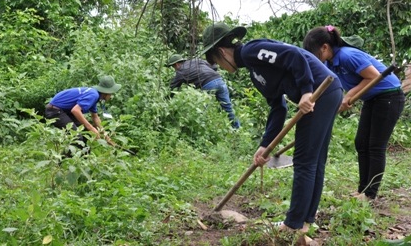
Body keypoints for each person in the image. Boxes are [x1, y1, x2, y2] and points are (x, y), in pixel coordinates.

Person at [201, 22, 343, 233]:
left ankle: (293, 225)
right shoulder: (255, 72)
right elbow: (278, 107)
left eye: (216, 62)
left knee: (305, 161)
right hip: (328, 92)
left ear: (222, 51)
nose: (221, 68)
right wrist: (264, 145)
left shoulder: (250, 51)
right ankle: (305, 221)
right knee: (314, 159)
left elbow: (294, 55)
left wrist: (305, 90)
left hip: (320, 91)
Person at [303, 25, 405, 201]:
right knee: (361, 142)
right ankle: (362, 190)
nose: (315, 58)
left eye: (314, 53)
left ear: (325, 47)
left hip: (389, 96)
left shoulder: (347, 55)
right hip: (372, 99)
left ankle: (370, 194)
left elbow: (372, 77)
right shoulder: (330, 62)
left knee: (375, 145)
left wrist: (349, 96)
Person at [44, 75, 122, 156]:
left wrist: (106, 136)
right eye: (111, 93)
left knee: (87, 135)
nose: (111, 95)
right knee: (76, 137)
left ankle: (84, 162)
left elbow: (95, 118)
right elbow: (75, 110)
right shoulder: (93, 95)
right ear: (108, 92)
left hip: (63, 111)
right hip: (55, 111)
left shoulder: (95, 95)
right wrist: (91, 128)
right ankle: (61, 165)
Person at [166, 53, 240, 129]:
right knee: (228, 108)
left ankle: (200, 131)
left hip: (208, 85)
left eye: (173, 66)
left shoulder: (180, 72)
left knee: (202, 110)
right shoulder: (197, 60)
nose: (175, 68)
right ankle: (237, 129)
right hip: (220, 81)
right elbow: (214, 66)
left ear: (177, 64)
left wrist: (167, 99)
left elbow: (173, 87)